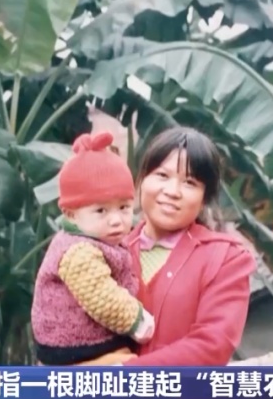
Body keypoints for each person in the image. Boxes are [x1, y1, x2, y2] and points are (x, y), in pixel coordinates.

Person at [81, 126, 257, 366]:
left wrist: (121, 373)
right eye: (162, 175)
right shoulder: (103, 252)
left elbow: (212, 346)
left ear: (204, 198)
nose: (172, 191)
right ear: (141, 179)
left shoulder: (227, 258)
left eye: (189, 182)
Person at [30, 131, 155, 366]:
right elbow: (103, 298)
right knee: (127, 365)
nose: (116, 220)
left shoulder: (100, 238)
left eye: (124, 207)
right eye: (101, 211)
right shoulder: (78, 251)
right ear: (71, 214)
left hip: (85, 341)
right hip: (73, 347)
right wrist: (139, 322)